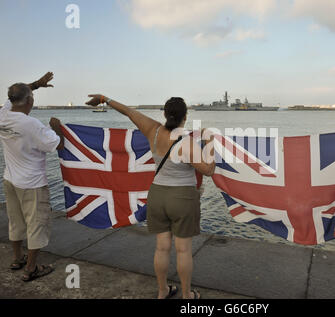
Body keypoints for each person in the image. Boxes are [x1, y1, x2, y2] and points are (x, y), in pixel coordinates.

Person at [86, 94, 215, 299]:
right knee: (183, 250)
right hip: (182, 197)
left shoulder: (153, 130)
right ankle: (187, 295)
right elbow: (208, 170)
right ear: (185, 117)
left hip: (157, 195)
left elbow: (128, 111)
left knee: (162, 247)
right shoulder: (188, 143)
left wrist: (105, 99)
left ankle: (163, 291)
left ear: (164, 114)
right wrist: (209, 142)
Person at [0, 72, 64, 281]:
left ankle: (17, 258)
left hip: (10, 180)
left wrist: (36, 84)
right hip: (32, 184)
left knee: (16, 222)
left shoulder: (3, 114)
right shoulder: (32, 125)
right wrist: (57, 128)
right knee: (36, 224)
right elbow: (58, 144)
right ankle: (31, 268)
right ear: (29, 100)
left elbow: (16, 96)